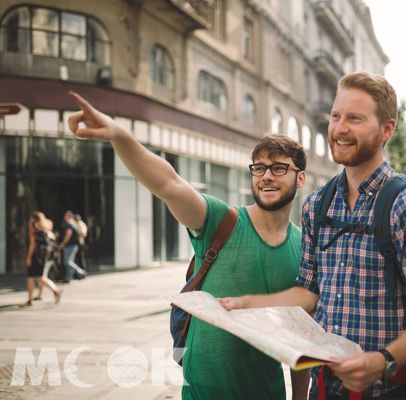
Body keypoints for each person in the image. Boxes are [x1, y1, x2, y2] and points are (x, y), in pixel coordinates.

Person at [67, 91, 310, 400]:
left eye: (279, 168)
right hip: (201, 392)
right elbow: (169, 183)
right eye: (259, 167)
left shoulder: (305, 247)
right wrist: (119, 135)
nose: (266, 176)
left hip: (266, 392)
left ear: (300, 178)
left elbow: (301, 336)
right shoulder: (224, 221)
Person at [222, 71, 406, 399]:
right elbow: (308, 293)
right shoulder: (317, 204)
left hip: (390, 392)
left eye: (354, 118)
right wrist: (246, 304)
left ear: (387, 129)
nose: (339, 129)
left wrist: (383, 361)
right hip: (325, 390)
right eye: (336, 116)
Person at [25, 211, 62, 306]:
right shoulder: (47, 225)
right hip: (45, 256)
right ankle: (39, 295)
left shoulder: (34, 227)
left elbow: (32, 244)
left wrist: (29, 257)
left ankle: (55, 290)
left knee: (33, 277)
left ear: (33, 219)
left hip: (35, 255)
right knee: (40, 275)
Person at [58, 210, 87, 282]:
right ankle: (68, 278)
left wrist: (62, 244)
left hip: (70, 245)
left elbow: (68, 235)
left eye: (65, 216)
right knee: (70, 261)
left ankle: (80, 271)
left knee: (67, 262)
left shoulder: (70, 225)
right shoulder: (74, 224)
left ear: (69, 216)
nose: (64, 217)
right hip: (73, 245)